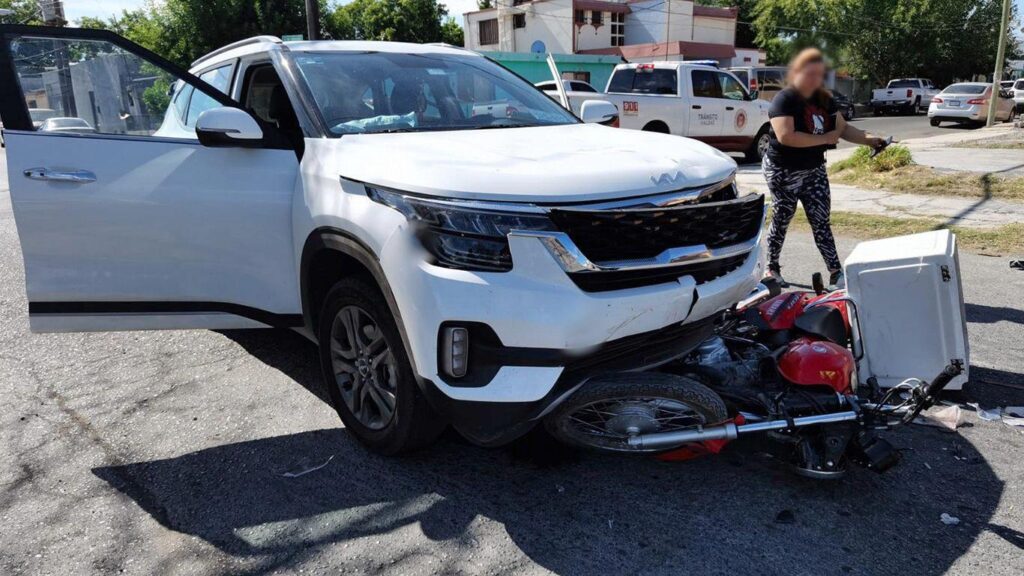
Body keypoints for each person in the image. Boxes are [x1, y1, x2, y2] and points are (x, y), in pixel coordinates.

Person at [763, 48, 888, 288]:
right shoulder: (785, 99)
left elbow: (842, 128)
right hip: (783, 170)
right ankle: (772, 267)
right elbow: (786, 135)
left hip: (813, 170)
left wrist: (869, 139)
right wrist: (826, 139)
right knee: (782, 216)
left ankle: (835, 272)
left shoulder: (824, 99)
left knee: (821, 220)